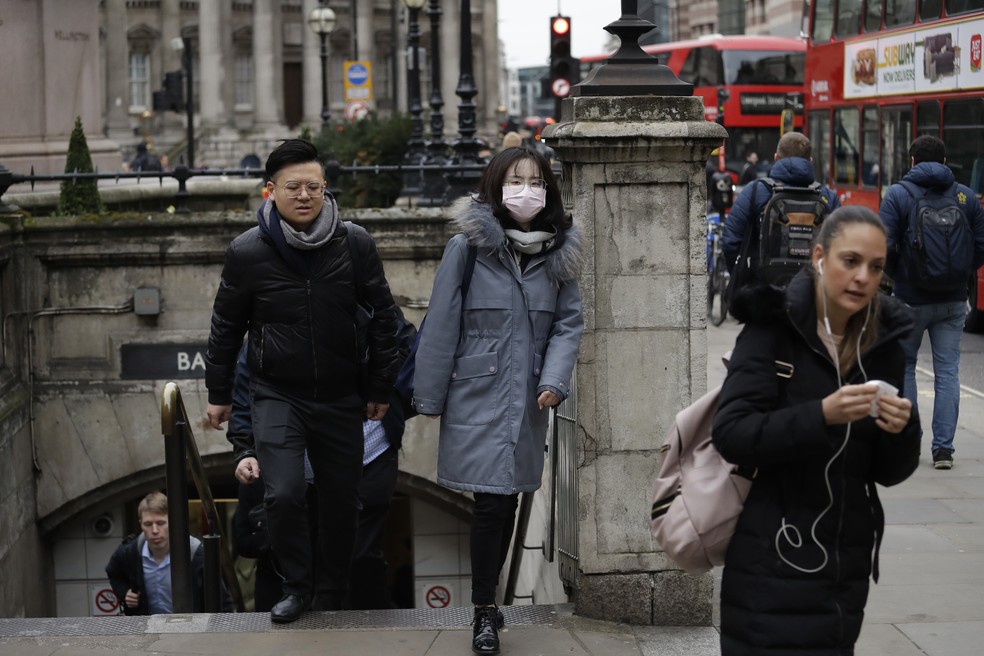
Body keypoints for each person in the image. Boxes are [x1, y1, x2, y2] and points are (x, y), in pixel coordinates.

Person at [204, 138, 401, 623]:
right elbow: (226, 327)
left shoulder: (354, 243)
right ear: (271, 191)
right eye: (293, 187)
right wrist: (219, 395)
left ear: (326, 189)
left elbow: (385, 318)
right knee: (285, 491)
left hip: (341, 394)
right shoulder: (247, 252)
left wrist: (379, 388)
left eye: (314, 186)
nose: (305, 195)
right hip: (277, 392)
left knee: (340, 501)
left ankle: (330, 592)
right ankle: (296, 586)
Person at [712, 206, 921, 655]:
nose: (863, 277)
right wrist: (820, 415)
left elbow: (889, 471)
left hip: (844, 569)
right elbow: (732, 433)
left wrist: (902, 429)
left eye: (876, 267)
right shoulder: (773, 327)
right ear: (820, 257)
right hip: (770, 559)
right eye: (851, 261)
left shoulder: (885, 344)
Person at [412, 145, 583, 655]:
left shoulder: (560, 252)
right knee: (491, 503)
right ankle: (484, 611)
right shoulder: (468, 248)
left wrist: (555, 379)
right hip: (476, 394)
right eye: (515, 181)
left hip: (529, 399)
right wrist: (428, 396)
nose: (525, 191)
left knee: (503, 501)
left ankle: (487, 604)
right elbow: (442, 322)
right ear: (495, 186)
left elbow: (568, 323)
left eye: (535, 181)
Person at [878, 135, 984, 470]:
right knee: (948, 371)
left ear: (911, 160)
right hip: (954, 299)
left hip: (910, 298)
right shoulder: (966, 197)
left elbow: (884, 246)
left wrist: (898, 277)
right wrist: (962, 272)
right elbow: (981, 245)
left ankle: (909, 444)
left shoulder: (898, 194)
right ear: (945, 160)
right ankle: (944, 450)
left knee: (906, 366)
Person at [723, 132, 840, 279]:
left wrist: (743, 279)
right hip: (813, 290)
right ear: (810, 161)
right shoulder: (828, 197)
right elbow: (841, 245)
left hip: (763, 289)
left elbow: (731, 241)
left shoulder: (755, 191)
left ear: (776, 158)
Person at [105, 492, 206, 615]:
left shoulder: (196, 553)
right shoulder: (129, 552)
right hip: (146, 628)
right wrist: (125, 593)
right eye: (148, 524)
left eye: (160, 523)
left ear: (173, 521)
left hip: (188, 627)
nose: (154, 530)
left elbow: (221, 598)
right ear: (140, 523)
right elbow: (113, 574)